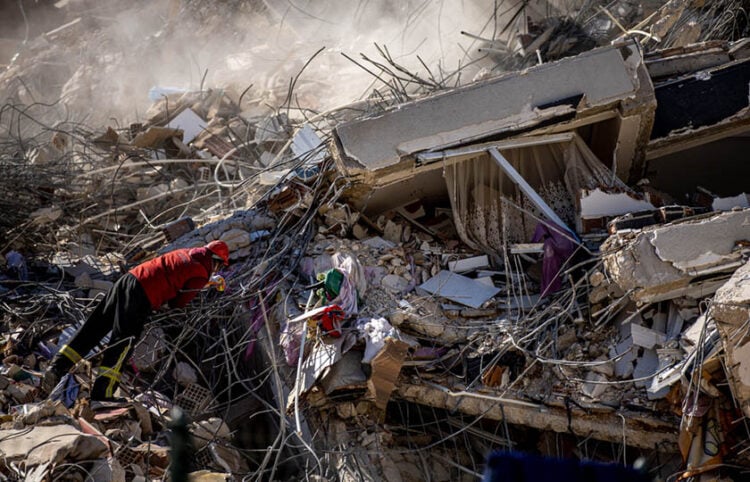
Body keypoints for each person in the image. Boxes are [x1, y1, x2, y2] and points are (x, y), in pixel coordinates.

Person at [41, 240, 230, 400]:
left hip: (128, 280)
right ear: (216, 262)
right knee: (122, 344)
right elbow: (179, 303)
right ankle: (102, 395)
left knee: (94, 328)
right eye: (220, 265)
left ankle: (57, 368)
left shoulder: (186, 254)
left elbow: (179, 274)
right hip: (142, 296)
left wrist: (205, 282)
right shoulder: (201, 272)